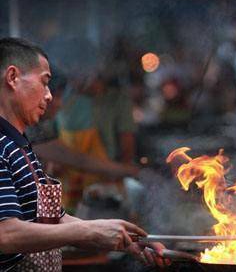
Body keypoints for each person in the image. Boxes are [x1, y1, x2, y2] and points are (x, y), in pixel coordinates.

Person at [0, 37, 167, 271]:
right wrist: (88, 230)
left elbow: (56, 217)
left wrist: (125, 240)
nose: (49, 96)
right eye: (44, 82)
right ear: (12, 78)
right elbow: (4, 234)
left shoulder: (21, 146)